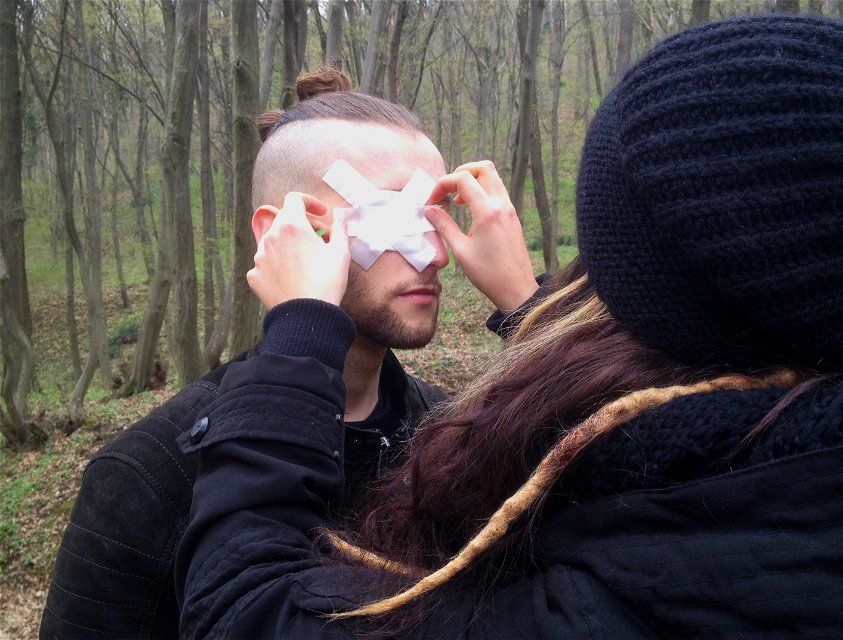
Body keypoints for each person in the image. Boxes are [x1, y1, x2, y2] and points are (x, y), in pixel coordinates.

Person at [176, 14, 843, 639]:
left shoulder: (669, 560)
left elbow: (248, 611)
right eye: (393, 218)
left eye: (605, 269)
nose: (436, 252)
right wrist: (533, 306)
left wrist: (299, 337)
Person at [40, 69, 535, 639]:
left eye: (434, 218)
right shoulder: (150, 474)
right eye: (394, 217)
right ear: (284, 232)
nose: (435, 255)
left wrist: (530, 309)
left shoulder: (453, 437)